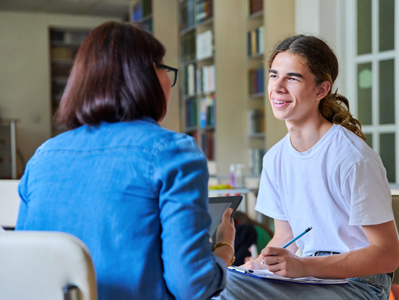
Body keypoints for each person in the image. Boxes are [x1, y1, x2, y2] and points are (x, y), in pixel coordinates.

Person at [15, 21, 235, 300]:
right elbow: (191, 285)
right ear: (146, 77)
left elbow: (23, 264)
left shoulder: (42, 158)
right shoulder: (174, 152)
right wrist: (224, 250)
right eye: (164, 69)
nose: (169, 80)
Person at [216, 34, 399, 300]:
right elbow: (286, 236)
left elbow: (387, 255)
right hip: (308, 277)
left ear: (321, 89)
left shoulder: (352, 158)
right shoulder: (275, 159)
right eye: (273, 75)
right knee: (218, 283)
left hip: (360, 284)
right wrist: (253, 266)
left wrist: (304, 265)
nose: (278, 87)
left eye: (292, 78)